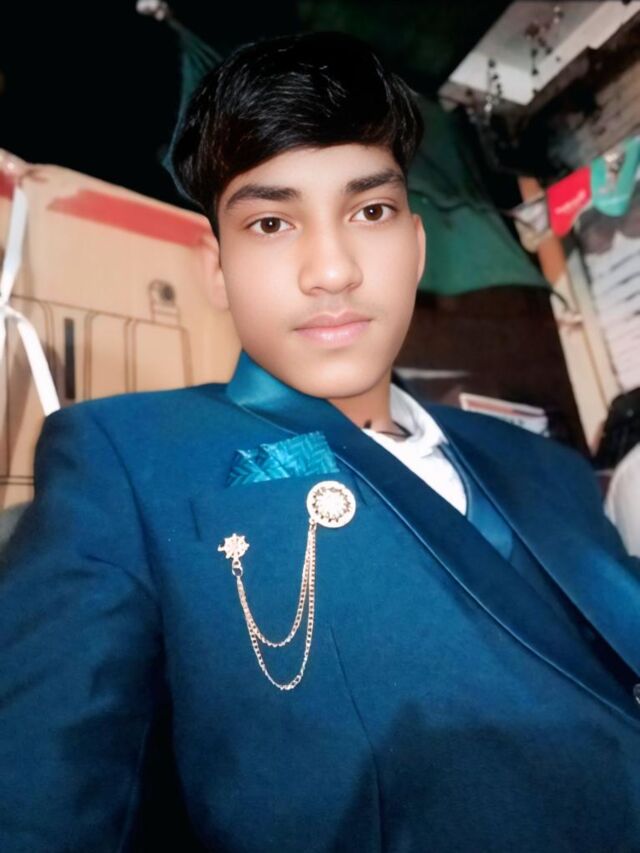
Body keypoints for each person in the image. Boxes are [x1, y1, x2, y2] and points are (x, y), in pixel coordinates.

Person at [1, 31, 640, 853]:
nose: (331, 270)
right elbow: (41, 796)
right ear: (216, 268)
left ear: (415, 244)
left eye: (370, 211)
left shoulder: (545, 466)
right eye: (271, 222)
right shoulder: (127, 459)